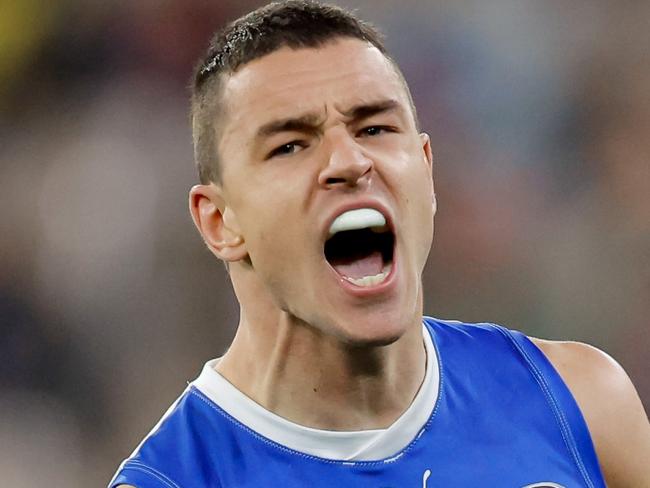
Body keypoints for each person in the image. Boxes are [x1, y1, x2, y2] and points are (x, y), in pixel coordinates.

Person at [109, 1, 650, 486]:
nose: (348, 162)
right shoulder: (181, 478)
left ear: (427, 172)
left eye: (374, 129)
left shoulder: (580, 404)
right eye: (291, 145)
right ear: (219, 221)